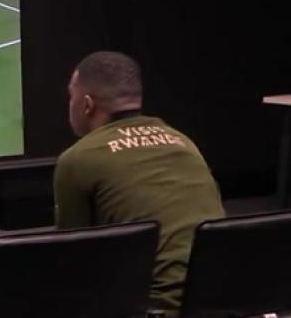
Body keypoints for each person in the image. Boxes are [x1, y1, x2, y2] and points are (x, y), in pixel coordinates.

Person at [55, 51, 225, 317]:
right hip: (224, 301)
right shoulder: (183, 142)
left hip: (153, 309)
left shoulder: (77, 159)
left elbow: (73, 261)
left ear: (87, 104)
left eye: (71, 96)